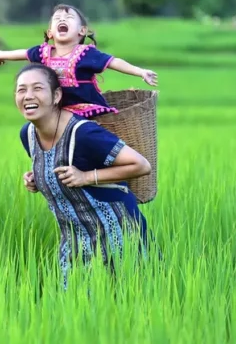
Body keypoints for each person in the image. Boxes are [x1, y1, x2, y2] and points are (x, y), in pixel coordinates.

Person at [14, 62, 153, 286]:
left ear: (57, 95)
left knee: (127, 305)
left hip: (117, 235)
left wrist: (86, 177)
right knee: (73, 310)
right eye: (22, 90)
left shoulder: (84, 133)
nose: (28, 95)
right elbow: (58, 165)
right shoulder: (28, 134)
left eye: (37, 88)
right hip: (74, 240)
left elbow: (141, 165)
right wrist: (37, 178)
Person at [0, 4, 157, 118]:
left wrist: (140, 72)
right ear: (50, 32)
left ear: (82, 31)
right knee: (29, 131)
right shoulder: (43, 52)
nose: (62, 19)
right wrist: (2, 54)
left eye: (69, 17)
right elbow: (23, 53)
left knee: (76, 129)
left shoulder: (85, 54)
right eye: (57, 18)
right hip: (56, 110)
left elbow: (114, 62)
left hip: (85, 110)